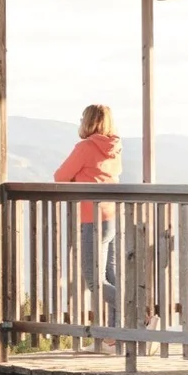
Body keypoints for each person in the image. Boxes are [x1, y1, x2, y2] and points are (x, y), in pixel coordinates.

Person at [53, 104, 122, 334]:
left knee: (95, 282)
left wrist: (76, 181)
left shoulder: (85, 148)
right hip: (111, 217)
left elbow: (60, 176)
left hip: (92, 219)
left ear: (88, 121)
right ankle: (116, 336)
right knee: (111, 277)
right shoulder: (115, 148)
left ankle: (139, 312)